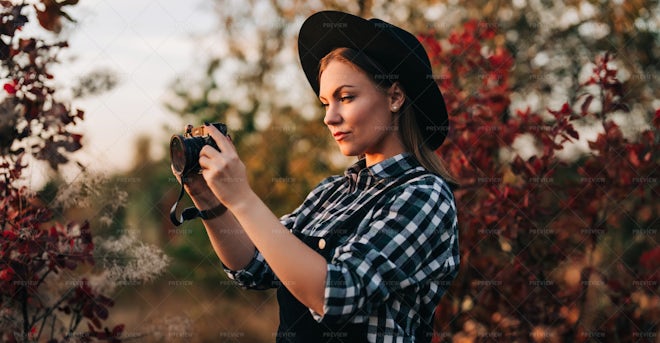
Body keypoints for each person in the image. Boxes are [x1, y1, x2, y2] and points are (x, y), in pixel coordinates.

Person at [173, 10, 459, 343]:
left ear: (395, 97)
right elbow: (254, 266)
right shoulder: (330, 192)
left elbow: (337, 294)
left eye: (346, 97)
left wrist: (242, 197)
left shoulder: (425, 195)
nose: (329, 117)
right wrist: (210, 200)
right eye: (325, 103)